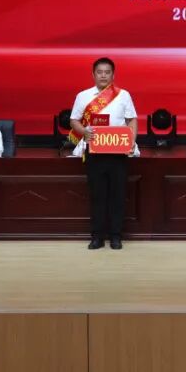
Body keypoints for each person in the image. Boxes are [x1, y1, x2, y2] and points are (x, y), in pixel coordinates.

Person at [70, 57, 138, 250]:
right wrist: (84, 132)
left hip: (118, 152)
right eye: (99, 72)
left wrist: (131, 141)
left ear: (113, 75)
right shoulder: (83, 96)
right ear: (93, 74)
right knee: (97, 196)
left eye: (107, 72)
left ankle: (116, 236)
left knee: (117, 196)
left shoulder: (123, 95)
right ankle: (97, 237)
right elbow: (74, 121)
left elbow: (132, 120)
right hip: (95, 152)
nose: (103, 76)